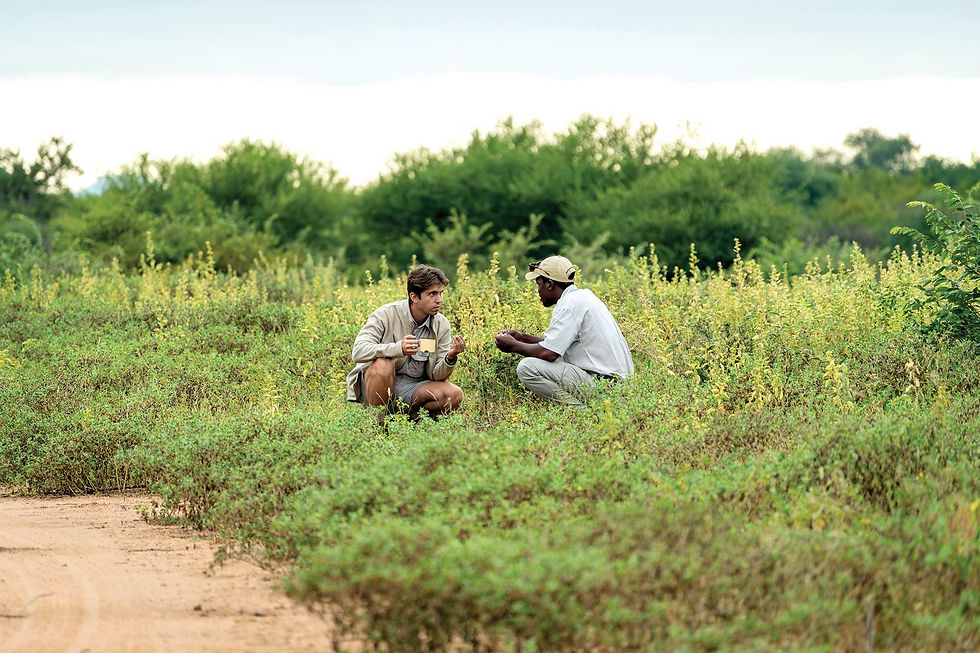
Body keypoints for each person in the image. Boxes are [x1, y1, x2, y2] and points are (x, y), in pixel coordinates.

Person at [494, 255, 633, 406]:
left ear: (549, 284)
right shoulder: (583, 297)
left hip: (607, 389)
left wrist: (512, 346)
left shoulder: (569, 304)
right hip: (618, 387)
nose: (538, 290)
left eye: (538, 284)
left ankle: (583, 415)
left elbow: (549, 353)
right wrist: (522, 337)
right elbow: (557, 344)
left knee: (527, 368)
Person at [346, 264, 466, 419]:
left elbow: (436, 375)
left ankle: (413, 425)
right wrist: (397, 349)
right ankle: (378, 426)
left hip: (413, 388)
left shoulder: (441, 324)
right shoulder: (385, 314)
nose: (439, 300)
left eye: (441, 293)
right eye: (432, 294)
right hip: (376, 386)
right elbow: (358, 351)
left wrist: (451, 356)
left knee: (453, 395)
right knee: (383, 364)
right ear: (414, 297)